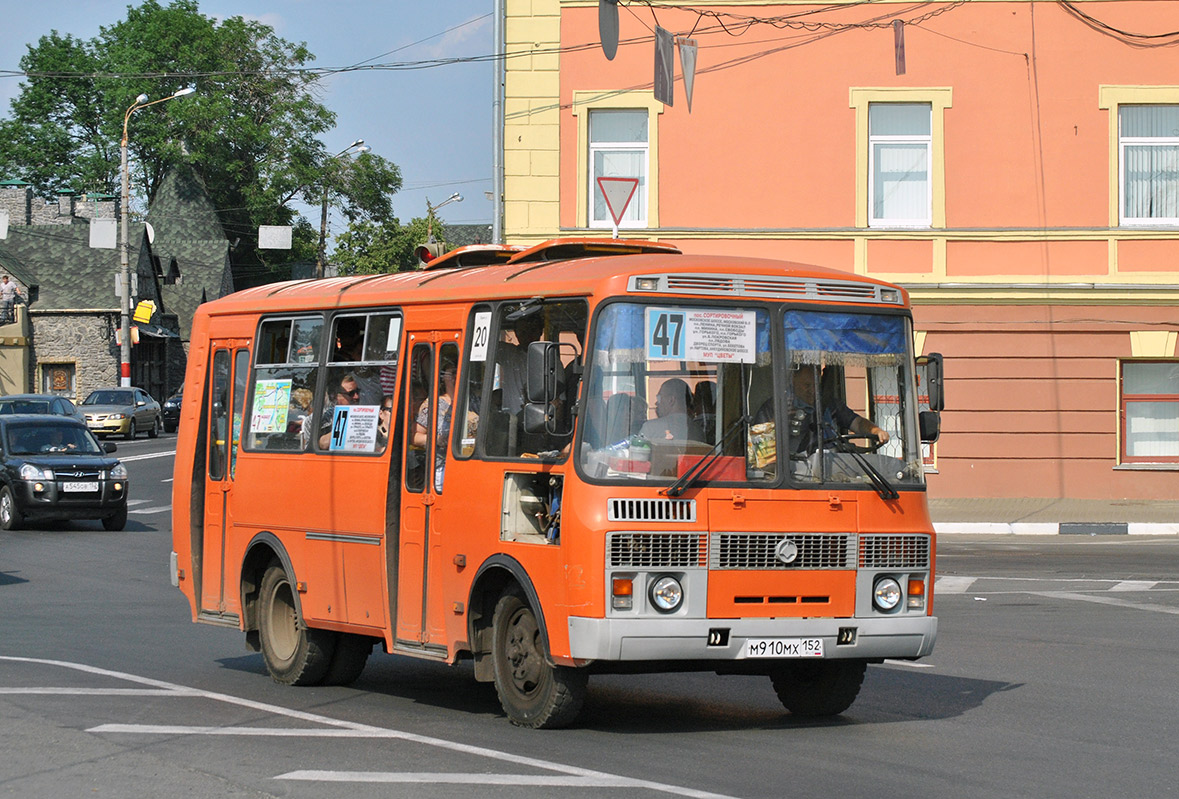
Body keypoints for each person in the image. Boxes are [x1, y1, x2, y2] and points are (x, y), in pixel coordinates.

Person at [759, 364, 889, 456]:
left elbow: (857, 423)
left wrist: (875, 430)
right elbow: (759, 442)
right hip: (793, 474)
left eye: (816, 385)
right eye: (807, 385)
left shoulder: (829, 405)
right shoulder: (775, 406)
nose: (812, 390)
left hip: (830, 471)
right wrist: (778, 422)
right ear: (793, 380)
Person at [414, 360, 455, 491]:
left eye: (459, 372)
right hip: (443, 467)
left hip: (471, 464)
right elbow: (414, 436)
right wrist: (437, 439)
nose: (456, 376)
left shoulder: (472, 400)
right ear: (443, 378)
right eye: (452, 373)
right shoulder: (433, 404)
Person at [639, 378, 705, 443]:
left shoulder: (650, 428)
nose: (656, 403)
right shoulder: (698, 429)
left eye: (659, 398)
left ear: (671, 400)